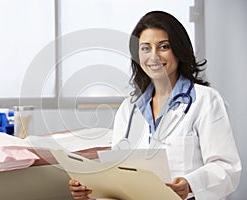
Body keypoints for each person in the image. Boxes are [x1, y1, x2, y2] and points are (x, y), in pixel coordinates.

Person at [69, 11, 241, 200]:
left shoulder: (205, 100)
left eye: (163, 47)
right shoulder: (129, 109)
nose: (154, 56)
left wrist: (190, 184)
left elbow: (226, 168)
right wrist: (90, 193)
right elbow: (118, 175)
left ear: (178, 49)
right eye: (145, 48)